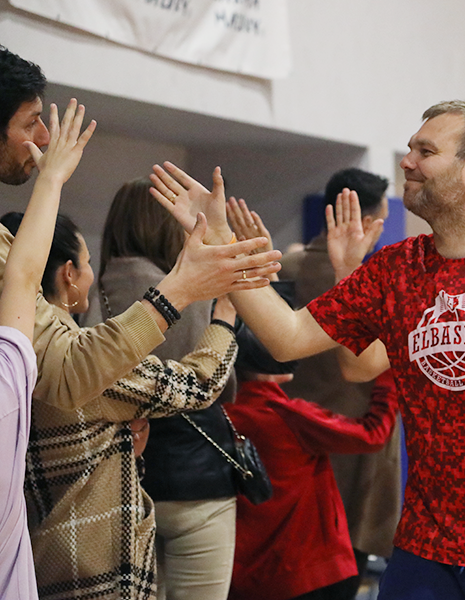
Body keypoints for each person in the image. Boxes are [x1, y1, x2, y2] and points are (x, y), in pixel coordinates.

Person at [151, 99, 465, 600]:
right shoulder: (395, 269)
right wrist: (217, 243)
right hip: (427, 545)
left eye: (425, 151)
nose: (407, 162)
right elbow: (288, 337)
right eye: (410, 149)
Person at [0, 46, 279, 413]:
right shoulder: (147, 283)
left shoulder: (104, 280)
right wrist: (192, 290)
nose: (46, 137)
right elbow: (70, 373)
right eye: (31, 121)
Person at [1, 205, 241, 600]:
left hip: (32, 559)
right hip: (94, 570)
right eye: (88, 262)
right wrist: (226, 316)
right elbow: (199, 384)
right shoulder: (83, 362)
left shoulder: (15, 357)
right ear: (68, 273)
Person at [87, 178, 241, 600]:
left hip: (122, 474)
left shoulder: (90, 289)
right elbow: (215, 381)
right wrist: (224, 318)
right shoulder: (177, 290)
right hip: (193, 474)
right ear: (165, 225)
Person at [277, 168, 402, 597]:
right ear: (364, 222)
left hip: (290, 435)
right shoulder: (378, 283)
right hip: (358, 439)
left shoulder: (283, 266)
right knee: (343, 574)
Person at [225, 311, 399, 600]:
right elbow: (373, 434)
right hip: (307, 570)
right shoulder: (288, 417)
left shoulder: (223, 416)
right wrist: (388, 372)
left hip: (241, 574)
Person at [0, 98, 93, 600]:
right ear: (69, 273)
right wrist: (180, 295)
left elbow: (18, 275)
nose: (40, 134)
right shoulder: (10, 371)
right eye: (30, 121)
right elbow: (20, 276)